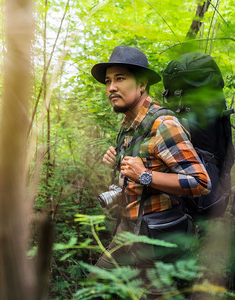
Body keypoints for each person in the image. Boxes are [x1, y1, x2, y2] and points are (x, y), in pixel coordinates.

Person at [90, 46, 211, 297]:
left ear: (142, 84)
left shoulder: (163, 124)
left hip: (157, 237)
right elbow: (137, 171)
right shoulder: (129, 124)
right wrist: (117, 164)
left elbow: (200, 183)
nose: (111, 87)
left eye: (120, 78)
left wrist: (144, 175)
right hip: (128, 229)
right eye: (108, 81)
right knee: (94, 288)